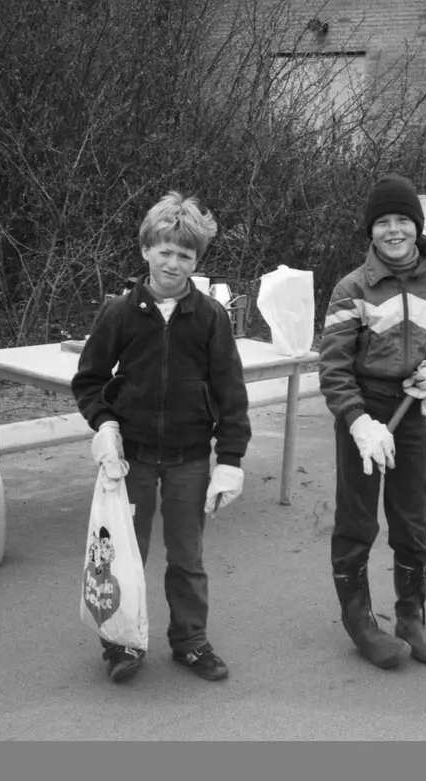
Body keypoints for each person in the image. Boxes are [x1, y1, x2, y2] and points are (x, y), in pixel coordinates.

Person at [72, 191, 251, 684]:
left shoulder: (212, 318)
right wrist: (105, 424)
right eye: (165, 251)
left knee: (187, 556)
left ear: (198, 260)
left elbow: (230, 393)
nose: (174, 263)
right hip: (129, 460)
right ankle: (121, 641)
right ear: (146, 250)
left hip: (190, 459)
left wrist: (230, 459)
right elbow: (88, 380)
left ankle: (190, 641)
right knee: (123, 555)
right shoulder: (119, 313)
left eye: (186, 255)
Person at [318, 174, 426, 669]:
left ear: (417, 227)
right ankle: (360, 621)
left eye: (403, 220)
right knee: (357, 519)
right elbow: (333, 367)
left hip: (411, 412)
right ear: (370, 231)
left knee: (412, 517)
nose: (394, 230)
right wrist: (358, 421)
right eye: (383, 222)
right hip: (364, 411)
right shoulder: (351, 288)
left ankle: (410, 616)